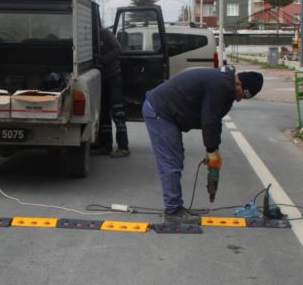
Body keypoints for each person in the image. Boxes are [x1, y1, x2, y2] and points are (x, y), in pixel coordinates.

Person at [143, 66, 264, 223]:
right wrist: (211, 150)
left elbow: (215, 119)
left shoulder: (225, 87)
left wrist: (215, 149)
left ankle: (175, 207)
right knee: (171, 162)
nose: (240, 99)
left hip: (167, 113)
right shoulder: (221, 85)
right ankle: (173, 211)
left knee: (176, 160)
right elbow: (209, 119)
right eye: (243, 95)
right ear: (239, 83)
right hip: (160, 111)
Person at [92, 27, 130, 157]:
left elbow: (118, 49)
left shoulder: (104, 33)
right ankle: (106, 146)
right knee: (103, 113)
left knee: (117, 112)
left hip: (113, 77)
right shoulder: (88, 35)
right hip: (100, 78)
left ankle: (123, 147)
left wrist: (102, 59)